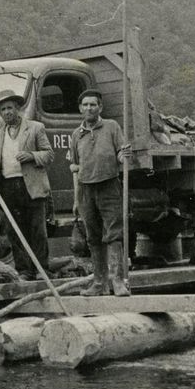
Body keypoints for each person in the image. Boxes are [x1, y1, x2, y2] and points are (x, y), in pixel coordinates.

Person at [0, 89, 54, 280]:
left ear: (18, 109)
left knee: (37, 230)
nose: (7, 112)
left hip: (31, 186)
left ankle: (42, 270)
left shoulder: (35, 128)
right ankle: (24, 271)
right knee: (15, 230)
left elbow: (49, 155)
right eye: (3, 109)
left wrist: (31, 156)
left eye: (10, 108)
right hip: (7, 186)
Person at [69, 89, 132, 296]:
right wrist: (76, 198)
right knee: (93, 237)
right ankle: (99, 283)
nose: (89, 108)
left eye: (93, 105)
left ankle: (118, 282)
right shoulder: (76, 135)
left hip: (109, 185)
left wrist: (124, 156)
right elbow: (76, 167)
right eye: (85, 105)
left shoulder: (112, 127)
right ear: (80, 109)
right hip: (86, 189)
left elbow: (121, 154)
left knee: (114, 233)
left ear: (100, 107)